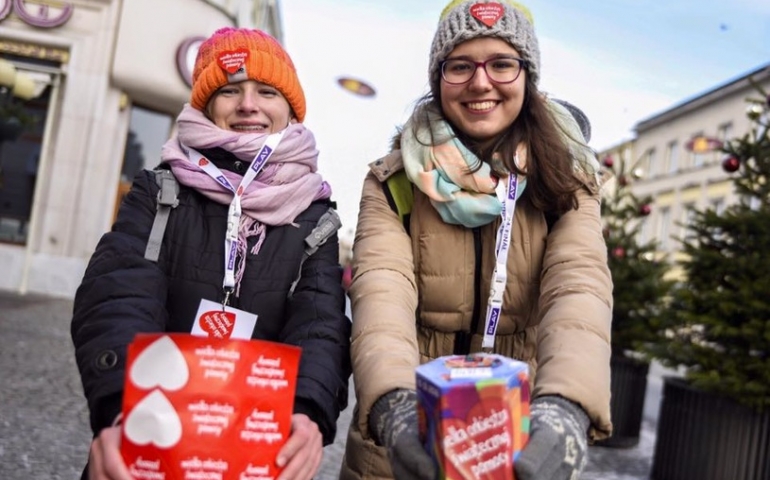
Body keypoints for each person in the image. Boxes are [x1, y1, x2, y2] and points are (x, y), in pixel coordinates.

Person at [340, 1, 612, 479]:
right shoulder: (395, 181)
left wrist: (566, 404)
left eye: (502, 63)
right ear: (437, 78)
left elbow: (579, 290)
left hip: (518, 431)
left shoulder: (567, 180)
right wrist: (393, 402)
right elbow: (382, 291)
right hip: (406, 434)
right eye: (460, 65)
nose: (480, 82)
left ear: (527, 78)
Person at [70, 27, 351, 480]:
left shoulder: (313, 214)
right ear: (206, 106)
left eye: (266, 91)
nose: (248, 105)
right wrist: (121, 404)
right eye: (229, 91)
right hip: (151, 432)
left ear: (290, 109)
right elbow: (119, 292)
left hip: (257, 447)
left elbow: (320, 322)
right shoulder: (160, 190)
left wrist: (306, 410)